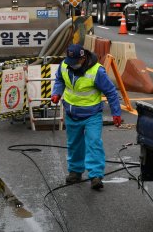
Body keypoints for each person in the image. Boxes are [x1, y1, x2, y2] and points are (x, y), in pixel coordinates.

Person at [51, 44, 122, 190]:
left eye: (75, 62)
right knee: (74, 144)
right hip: (71, 113)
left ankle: (95, 176)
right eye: (70, 62)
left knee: (94, 143)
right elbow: (59, 79)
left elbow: (111, 92)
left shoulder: (97, 71)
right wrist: (56, 92)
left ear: (83, 58)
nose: (72, 65)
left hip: (92, 115)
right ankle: (75, 172)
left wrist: (116, 113)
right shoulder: (65, 65)